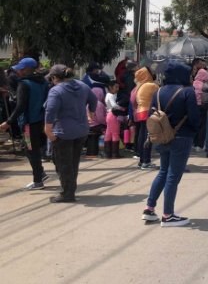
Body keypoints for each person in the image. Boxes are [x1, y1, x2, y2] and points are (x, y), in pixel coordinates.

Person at [142, 60, 200, 227]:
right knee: (173, 176)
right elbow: (195, 118)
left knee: (163, 172)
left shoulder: (158, 92)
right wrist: (193, 132)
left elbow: (151, 114)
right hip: (182, 138)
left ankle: (149, 209)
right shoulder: (187, 92)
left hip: (161, 137)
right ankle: (168, 215)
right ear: (181, 75)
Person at [44, 65, 97, 203]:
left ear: (55, 78)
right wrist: (91, 113)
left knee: (63, 163)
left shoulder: (56, 91)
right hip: (81, 130)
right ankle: (70, 189)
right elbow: (94, 99)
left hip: (63, 132)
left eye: (51, 78)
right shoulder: (82, 86)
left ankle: (67, 193)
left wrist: (47, 130)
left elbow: (50, 110)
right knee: (73, 162)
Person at [0, 58, 49, 190]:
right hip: (41, 121)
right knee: (34, 148)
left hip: (29, 123)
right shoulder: (44, 82)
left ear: (28, 69)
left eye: (21, 69)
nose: (18, 71)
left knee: (30, 149)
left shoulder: (24, 84)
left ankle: (38, 180)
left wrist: (8, 121)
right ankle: (41, 173)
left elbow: (20, 106)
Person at [134, 67, 159, 170]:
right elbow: (159, 94)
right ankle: (146, 161)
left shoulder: (139, 86)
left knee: (141, 136)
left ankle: (141, 160)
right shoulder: (151, 85)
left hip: (140, 111)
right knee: (148, 137)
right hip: (148, 111)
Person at [104, 80, 125, 159]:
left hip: (108, 115)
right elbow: (114, 105)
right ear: (110, 87)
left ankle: (107, 153)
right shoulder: (111, 96)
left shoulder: (107, 95)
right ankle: (115, 153)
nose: (117, 89)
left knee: (108, 133)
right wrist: (121, 108)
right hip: (113, 115)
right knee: (115, 133)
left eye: (118, 87)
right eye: (116, 87)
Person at [191, 67, 208, 152]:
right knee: (203, 126)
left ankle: (193, 144)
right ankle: (199, 145)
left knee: (195, 125)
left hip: (194, 106)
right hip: (203, 106)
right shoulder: (205, 85)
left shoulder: (193, 83)